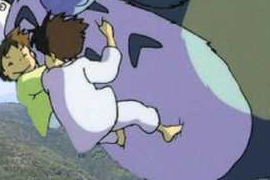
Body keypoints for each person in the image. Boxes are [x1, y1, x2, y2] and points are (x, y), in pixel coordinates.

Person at [40, 19, 181, 150]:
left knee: (89, 127)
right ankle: (165, 130)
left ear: (52, 55)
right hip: (98, 123)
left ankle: (116, 138)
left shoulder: (47, 78)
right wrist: (109, 36)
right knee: (136, 109)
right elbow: (110, 71)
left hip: (79, 138)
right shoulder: (80, 66)